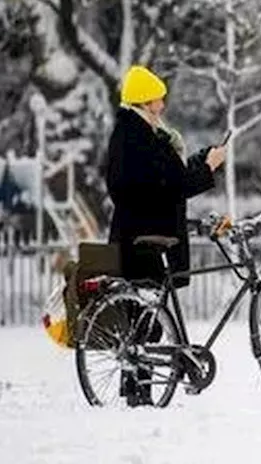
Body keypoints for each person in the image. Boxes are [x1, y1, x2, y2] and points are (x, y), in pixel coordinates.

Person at [104, 65, 226, 405]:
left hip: (140, 237)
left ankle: (135, 391)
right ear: (146, 101)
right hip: (146, 241)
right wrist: (209, 167)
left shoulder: (134, 134)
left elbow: (167, 178)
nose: (162, 106)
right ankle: (138, 395)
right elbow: (174, 185)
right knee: (145, 324)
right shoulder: (139, 137)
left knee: (142, 322)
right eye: (159, 99)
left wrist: (200, 162)